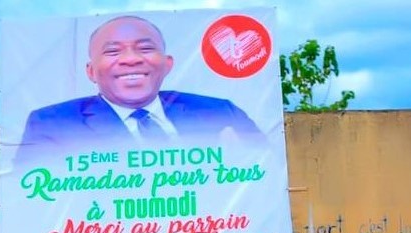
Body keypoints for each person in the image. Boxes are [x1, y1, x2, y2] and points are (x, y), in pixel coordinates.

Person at [14, 14, 265, 164]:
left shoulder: (221, 113)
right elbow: (37, 205)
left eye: (145, 48)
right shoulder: (52, 124)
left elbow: (268, 173)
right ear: (91, 71)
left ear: (167, 65)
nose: (131, 59)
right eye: (112, 51)